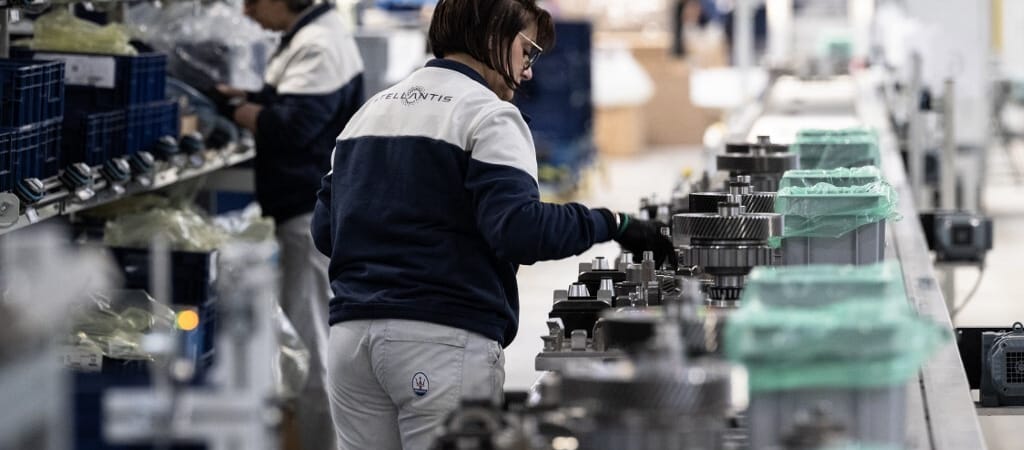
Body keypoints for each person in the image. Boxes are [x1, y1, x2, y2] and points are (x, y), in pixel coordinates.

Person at [310, 0, 673, 448]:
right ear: (494, 34)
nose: (528, 72)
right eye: (527, 51)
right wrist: (612, 223)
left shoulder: (368, 114)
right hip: (440, 340)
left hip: (350, 343)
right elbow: (521, 231)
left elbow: (325, 230)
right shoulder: (488, 115)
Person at [214, 1, 364, 449]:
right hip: (302, 212)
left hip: (308, 215)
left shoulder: (319, 44)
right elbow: (288, 104)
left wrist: (232, 109)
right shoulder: (308, 37)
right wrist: (245, 98)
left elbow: (292, 126)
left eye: (254, 1)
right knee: (308, 339)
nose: (248, 12)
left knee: (310, 345)